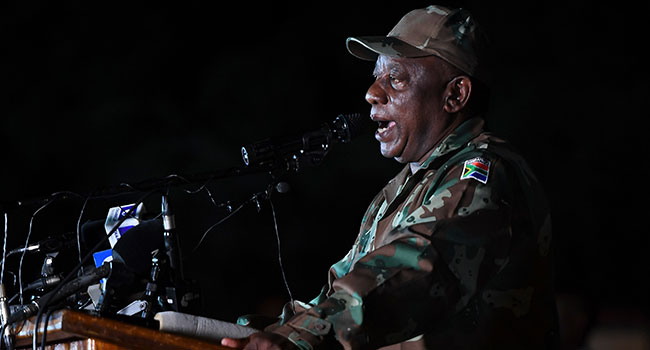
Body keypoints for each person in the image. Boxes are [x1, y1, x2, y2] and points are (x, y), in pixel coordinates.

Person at [222, 5, 559, 350]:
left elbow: (415, 268)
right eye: (376, 76)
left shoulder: (483, 175)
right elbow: (337, 292)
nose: (372, 93)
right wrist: (257, 333)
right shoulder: (398, 191)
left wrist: (301, 338)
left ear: (455, 95)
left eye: (395, 78)